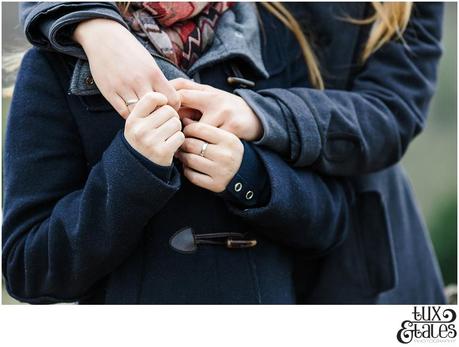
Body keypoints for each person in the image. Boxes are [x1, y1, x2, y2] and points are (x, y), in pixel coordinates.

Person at [3, 2, 445, 304]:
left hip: (343, 282)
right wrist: (132, 170)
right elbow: (29, 267)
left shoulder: (275, 45)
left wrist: (250, 174)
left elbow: (331, 212)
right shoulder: (58, 65)